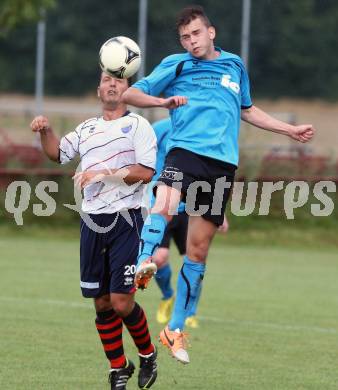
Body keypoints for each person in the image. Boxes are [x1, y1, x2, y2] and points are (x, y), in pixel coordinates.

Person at [122, 5, 315, 365]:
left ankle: (174, 329)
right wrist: (163, 101)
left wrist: (289, 130)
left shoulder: (234, 65)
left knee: (197, 252)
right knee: (163, 204)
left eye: (195, 34)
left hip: (222, 165)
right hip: (185, 152)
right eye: (184, 37)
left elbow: (248, 109)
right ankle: (142, 261)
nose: (191, 41)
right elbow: (131, 95)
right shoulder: (176, 65)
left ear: (211, 32)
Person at [30, 72, 158, 390]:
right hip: (92, 223)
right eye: (106, 79)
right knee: (100, 302)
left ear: (129, 90)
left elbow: (145, 172)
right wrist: (45, 130)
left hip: (127, 220)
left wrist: (104, 173)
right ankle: (118, 368)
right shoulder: (87, 129)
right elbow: (57, 153)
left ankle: (148, 354)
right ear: (98, 89)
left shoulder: (139, 126)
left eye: (119, 80)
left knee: (121, 302)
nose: (112, 84)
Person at [151, 118, 230, 329]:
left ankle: (190, 312)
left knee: (194, 260)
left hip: (191, 206)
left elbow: (212, 172)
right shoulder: (158, 129)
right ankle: (168, 295)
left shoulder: (202, 130)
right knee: (159, 258)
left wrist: (219, 211)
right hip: (163, 203)